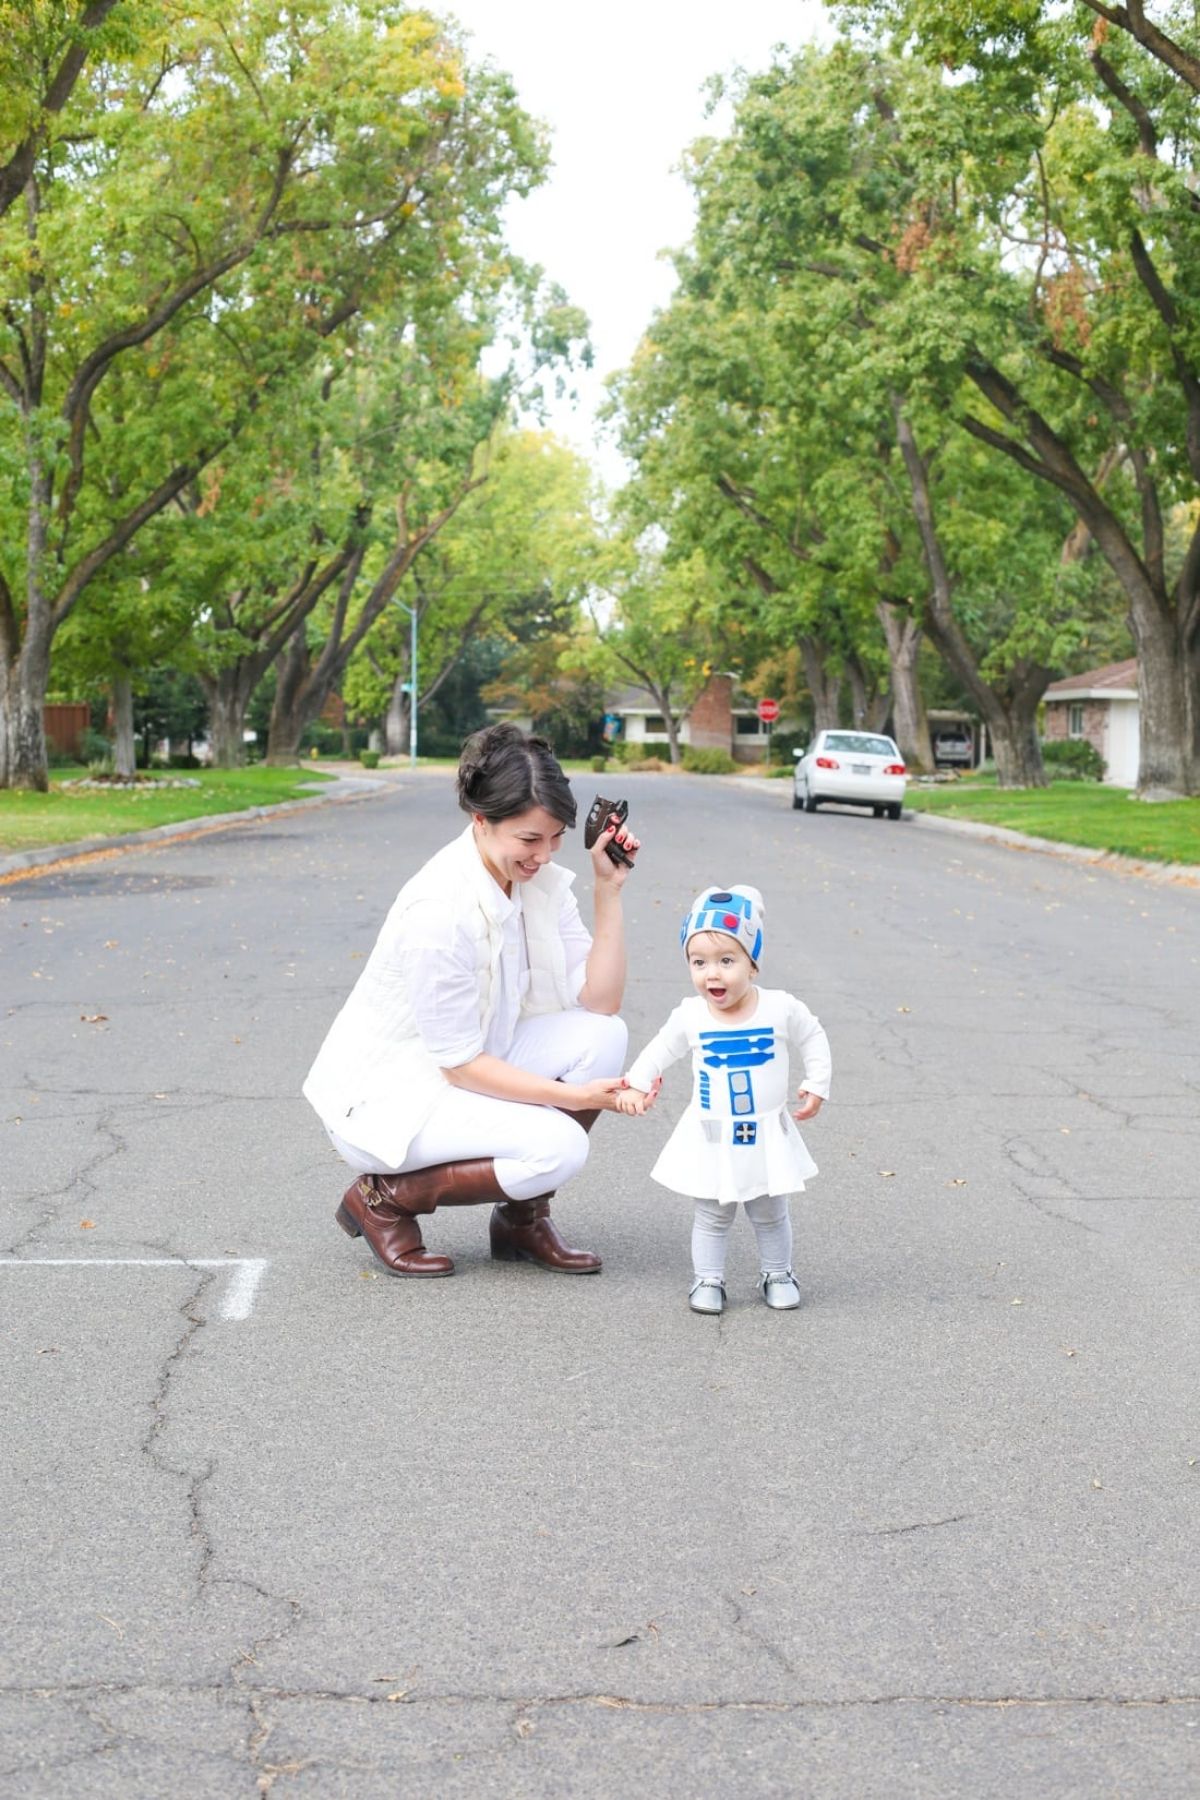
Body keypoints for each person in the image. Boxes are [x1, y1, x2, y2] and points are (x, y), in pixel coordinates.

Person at [302, 724, 640, 1278]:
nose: (544, 855)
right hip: (397, 1096)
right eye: (529, 840)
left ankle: (520, 1222)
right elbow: (458, 1065)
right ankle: (384, 1199)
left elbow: (600, 1001)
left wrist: (609, 889)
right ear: (480, 821)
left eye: (554, 837)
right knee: (559, 1147)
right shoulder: (439, 911)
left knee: (606, 1035)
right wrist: (571, 1094)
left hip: (477, 1057)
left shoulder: (537, 879)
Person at [615, 885, 831, 1315]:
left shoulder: (780, 1007)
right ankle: (708, 1279)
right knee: (712, 1214)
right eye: (699, 963)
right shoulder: (690, 1015)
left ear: (753, 963)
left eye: (727, 961)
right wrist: (637, 1083)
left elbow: (813, 1034)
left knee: (770, 1210)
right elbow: (660, 1050)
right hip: (713, 1135)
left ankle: (778, 1272)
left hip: (766, 1133)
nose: (712, 974)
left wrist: (817, 1081)